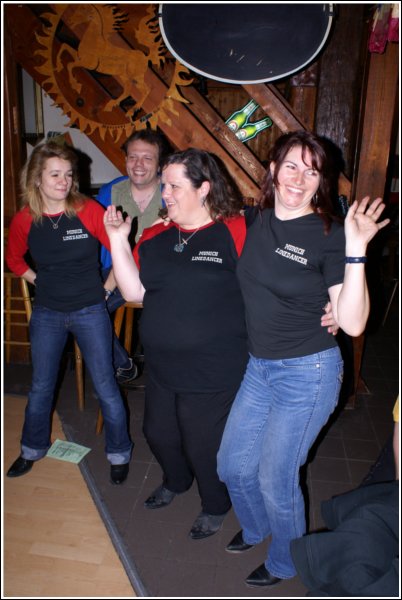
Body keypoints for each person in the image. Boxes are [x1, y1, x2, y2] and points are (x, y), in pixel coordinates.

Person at [103, 147, 338, 540]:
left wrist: (328, 299)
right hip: (162, 366)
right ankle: (176, 482)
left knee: (203, 443)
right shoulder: (156, 235)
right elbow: (135, 292)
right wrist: (117, 240)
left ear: (204, 188)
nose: (166, 194)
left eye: (175, 186)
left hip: (217, 367)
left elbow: (283, 265)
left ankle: (215, 504)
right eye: (165, 186)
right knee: (158, 433)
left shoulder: (237, 229)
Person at [216, 130, 390, 587]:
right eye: (291, 165)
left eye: (312, 171)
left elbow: (352, 324)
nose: (299, 178)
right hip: (260, 367)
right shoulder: (254, 220)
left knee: (277, 478)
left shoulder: (329, 234)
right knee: (231, 465)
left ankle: (286, 560)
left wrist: (357, 249)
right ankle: (257, 529)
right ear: (273, 169)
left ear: (321, 182)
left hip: (307, 374)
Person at [6, 141, 132, 485]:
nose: (64, 181)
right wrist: (38, 279)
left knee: (106, 385)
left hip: (91, 310)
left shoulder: (87, 210)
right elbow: (13, 259)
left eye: (68, 174)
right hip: (47, 312)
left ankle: (119, 452)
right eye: (55, 174)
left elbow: (120, 250)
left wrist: (106, 289)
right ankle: (32, 448)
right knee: (41, 386)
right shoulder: (24, 219)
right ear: (37, 178)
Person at [97, 129, 172, 385]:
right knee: (82, 309)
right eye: (133, 157)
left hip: (160, 275)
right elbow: (98, 240)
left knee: (90, 312)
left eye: (147, 158)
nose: (138, 164)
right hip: (113, 269)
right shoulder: (109, 192)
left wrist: (106, 288)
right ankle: (122, 363)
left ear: (160, 164)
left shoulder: (173, 192)